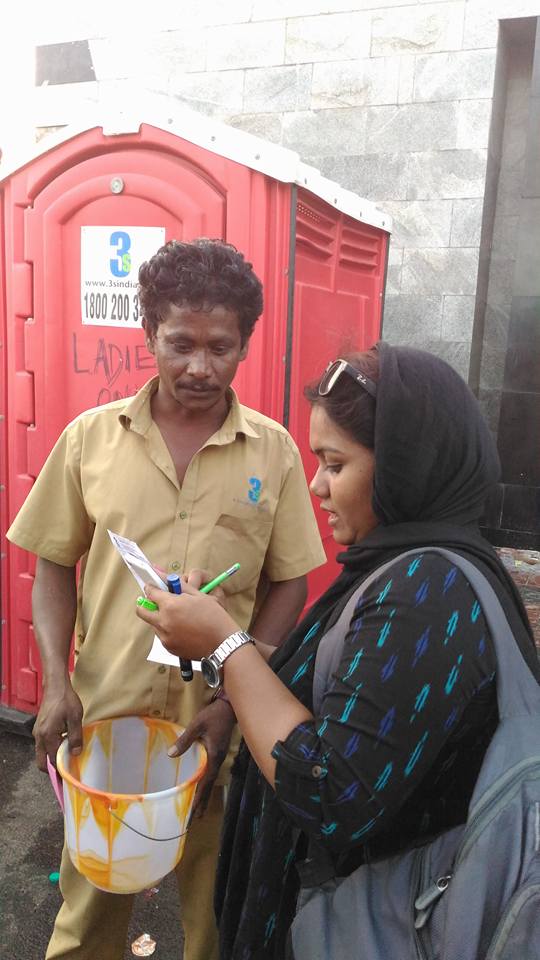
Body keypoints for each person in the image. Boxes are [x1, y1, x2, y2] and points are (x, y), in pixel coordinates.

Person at [136, 342, 540, 960]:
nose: (319, 487)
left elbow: (328, 789)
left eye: (335, 464)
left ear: (406, 468)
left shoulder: (428, 591)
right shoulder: (404, 564)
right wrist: (223, 648)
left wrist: (223, 643)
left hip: (363, 922)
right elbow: (338, 684)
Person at [6, 238, 326, 960]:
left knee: (216, 912)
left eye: (223, 347)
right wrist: (56, 685)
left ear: (246, 344)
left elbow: (290, 581)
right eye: (181, 343)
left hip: (219, 731)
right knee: (89, 916)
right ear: (148, 334)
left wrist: (231, 706)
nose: (200, 367)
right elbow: (53, 565)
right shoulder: (90, 441)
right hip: (105, 721)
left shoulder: (273, 452)